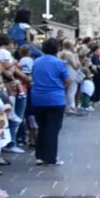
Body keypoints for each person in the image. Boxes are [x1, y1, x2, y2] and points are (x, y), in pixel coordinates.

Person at [30, 38, 70, 166]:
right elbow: (67, 79)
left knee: (42, 127)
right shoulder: (59, 63)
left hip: (38, 98)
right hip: (55, 99)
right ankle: (51, 157)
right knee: (53, 129)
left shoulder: (36, 61)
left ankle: (40, 156)